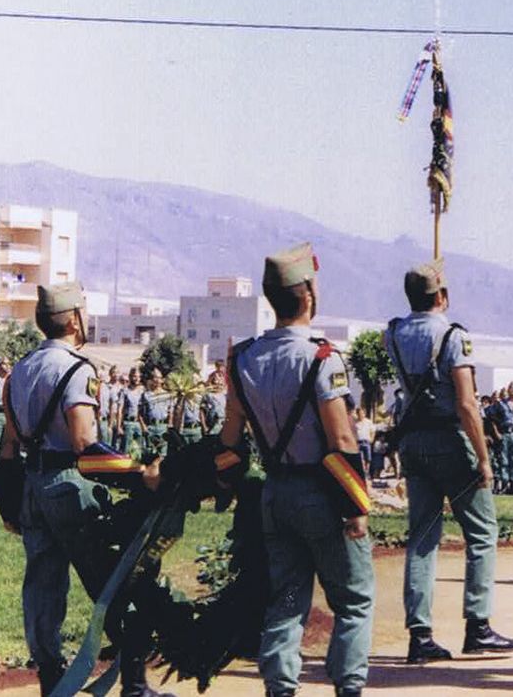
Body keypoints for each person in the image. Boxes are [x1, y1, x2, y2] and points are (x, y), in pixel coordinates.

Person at [0, 282, 168, 697]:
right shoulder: (78, 369)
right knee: (111, 582)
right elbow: (83, 445)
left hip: (32, 491)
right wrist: (139, 473)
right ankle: (135, 685)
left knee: (42, 588)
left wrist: (9, 508)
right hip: (69, 487)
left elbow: (7, 448)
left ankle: (51, 683)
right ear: (74, 318)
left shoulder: (19, 371)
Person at [218, 243, 374, 697]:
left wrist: (227, 485)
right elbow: (342, 440)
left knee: (287, 598)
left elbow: (230, 440)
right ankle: (347, 687)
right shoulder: (322, 357)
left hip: (275, 494)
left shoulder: (242, 358)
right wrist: (357, 506)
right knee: (353, 599)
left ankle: (281, 688)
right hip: (322, 495)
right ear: (306, 294)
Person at [384, 258, 513, 663]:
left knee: (422, 538)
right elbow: (465, 402)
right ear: (442, 295)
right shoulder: (453, 336)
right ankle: (477, 625)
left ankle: (419, 634)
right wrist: (483, 457)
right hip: (449, 439)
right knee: (482, 534)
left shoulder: (393, 333)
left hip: (413, 440)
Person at [141, 369, 172, 460]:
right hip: (151, 427)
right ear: (151, 379)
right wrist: (144, 426)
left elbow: (171, 412)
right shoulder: (146, 395)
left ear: (162, 380)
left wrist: (169, 426)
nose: (157, 380)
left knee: (163, 455)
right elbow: (141, 413)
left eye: (159, 378)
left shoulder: (167, 395)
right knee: (150, 454)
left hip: (163, 427)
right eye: (155, 377)